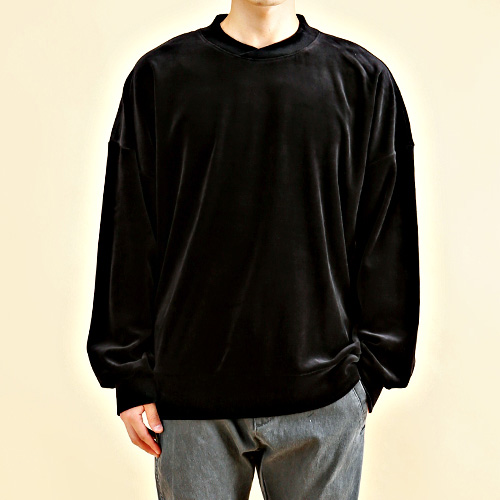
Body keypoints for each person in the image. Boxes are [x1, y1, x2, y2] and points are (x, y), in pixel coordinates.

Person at [87, 1, 420, 498]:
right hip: (190, 400)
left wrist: (368, 377)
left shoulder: (362, 81)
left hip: (324, 396)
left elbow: (387, 235)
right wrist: (130, 376)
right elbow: (130, 230)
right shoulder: (160, 77)